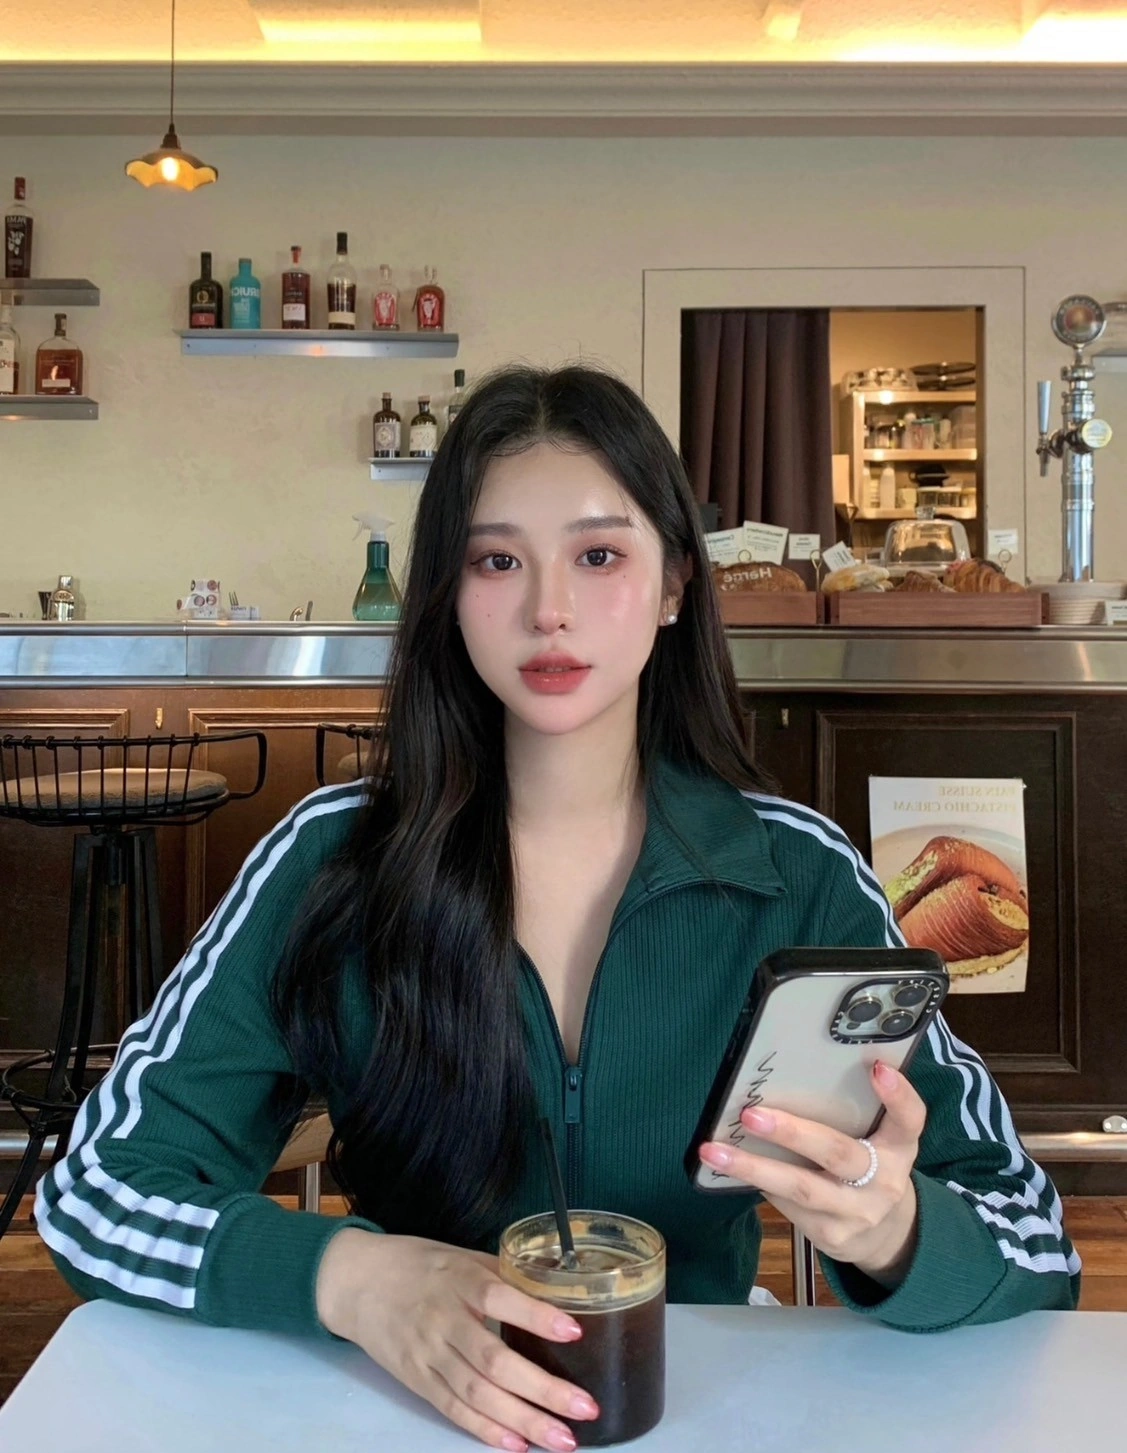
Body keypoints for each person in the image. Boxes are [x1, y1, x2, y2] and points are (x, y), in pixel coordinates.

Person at [37, 364, 1079, 1453]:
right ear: (446, 593)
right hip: (402, 1406)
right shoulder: (331, 860)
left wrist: (897, 1229)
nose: (548, 609)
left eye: (598, 555)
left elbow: (1035, 1244)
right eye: (496, 560)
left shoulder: (796, 874)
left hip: (696, 1409)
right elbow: (96, 1192)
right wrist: (353, 1276)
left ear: (674, 583)